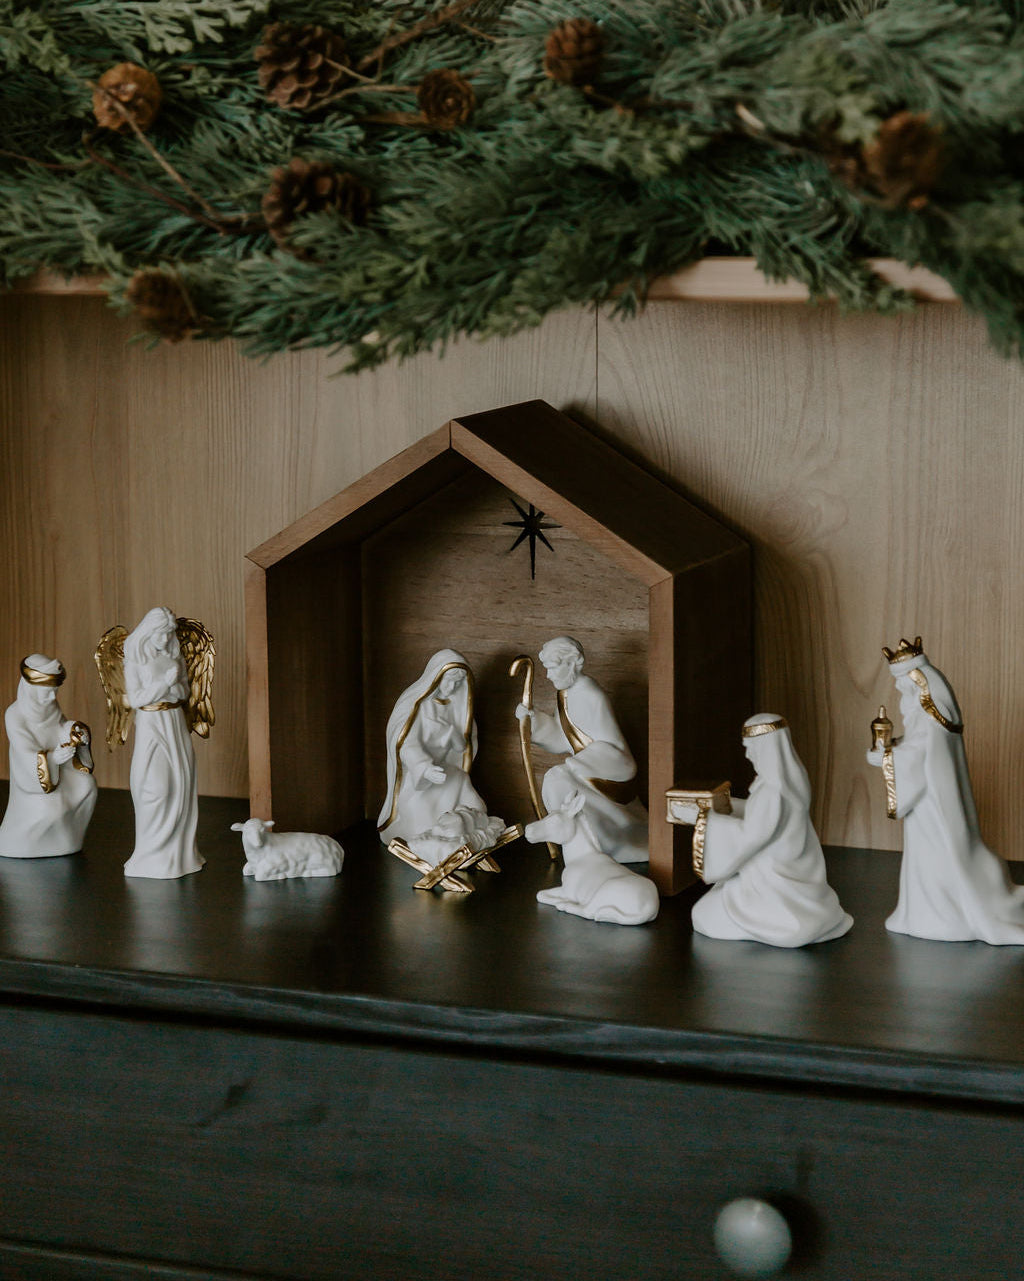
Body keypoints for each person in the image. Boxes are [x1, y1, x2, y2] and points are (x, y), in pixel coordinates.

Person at [868, 638, 1024, 943]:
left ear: (918, 683)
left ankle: (943, 916)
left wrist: (885, 756)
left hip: (934, 802)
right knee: (927, 856)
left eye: (902, 685)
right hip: (930, 798)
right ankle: (921, 913)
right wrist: (893, 749)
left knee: (938, 854)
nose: (899, 692)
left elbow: (923, 751)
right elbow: (917, 744)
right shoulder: (924, 711)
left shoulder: (929, 710)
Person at [676, 714, 852, 947]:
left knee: (704, 914)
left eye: (751, 748)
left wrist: (702, 818)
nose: (748, 755)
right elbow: (766, 818)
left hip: (771, 882)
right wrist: (725, 806)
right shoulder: (789, 779)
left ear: (767, 748)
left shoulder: (773, 790)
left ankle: (781, 920)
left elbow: (751, 835)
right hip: (792, 869)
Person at [516, 636, 648, 863]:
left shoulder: (590, 695)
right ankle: (585, 842)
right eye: (546, 669)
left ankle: (606, 841)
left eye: (553, 667)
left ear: (573, 663)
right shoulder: (565, 694)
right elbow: (562, 738)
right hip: (585, 767)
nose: (548, 676)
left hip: (610, 770)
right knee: (555, 779)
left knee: (558, 778)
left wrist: (578, 765)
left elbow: (610, 747)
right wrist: (534, 721)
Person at [122, 607, 204, 879]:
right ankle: (150, 850)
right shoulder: (135, 660)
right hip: (150, 724)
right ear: (148, 631)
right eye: (160, 633)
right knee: (154, 787)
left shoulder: (174, 657)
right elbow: (135, 699)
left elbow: (184, 690)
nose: (165, 638)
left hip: (174, 721)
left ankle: (177, 853)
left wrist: (173, 685)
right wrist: (163, 685)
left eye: (168, 634)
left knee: (180, 782)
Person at [377, 650, 488, 845]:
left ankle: (464, 831)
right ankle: (434, 840)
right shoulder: (419, 708)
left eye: (458, 683)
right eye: (449, 680)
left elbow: (463, 745)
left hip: (448, 773)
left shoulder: (458, 709)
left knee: (477, 807)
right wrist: (424, 768)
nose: (452, 687)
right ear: (436, 677)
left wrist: (455, 735)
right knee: (422, 825)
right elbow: (406, 743)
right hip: (420, 780)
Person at [0, 654, 97, 857]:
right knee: (51, 806)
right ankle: (26, 842)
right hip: (36, 781)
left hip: (58, 771)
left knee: (86, 785)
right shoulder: (14, 715)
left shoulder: (50, 707)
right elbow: (24, 750)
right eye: (47, 692)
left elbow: (60, 728)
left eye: (55, 691)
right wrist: (52, 759)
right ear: (31, 689)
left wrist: (75, 732)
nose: (53, 697)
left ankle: (70, 840)